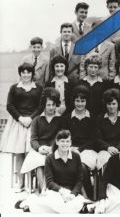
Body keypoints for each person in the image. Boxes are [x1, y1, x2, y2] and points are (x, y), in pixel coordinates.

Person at [18, 130, 87, 213]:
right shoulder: (50, 158)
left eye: (67, 141)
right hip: (55, 191)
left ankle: (34, 204)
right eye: (62, 141)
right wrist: (61, 191)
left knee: (74, 205)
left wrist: (73, 194)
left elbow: (79, 180)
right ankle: (30, 203)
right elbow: (49, 182)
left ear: (71, 142)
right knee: (57, 204)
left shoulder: (76, 157)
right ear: (57, 142)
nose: (65, 144)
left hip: (71, 193)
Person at [0, 63, 43, 192]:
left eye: (28, 72)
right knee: (19, 154)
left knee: (30, 153)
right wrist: (20, 118)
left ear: (32, 74)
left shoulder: (38, 88)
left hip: (33, 122)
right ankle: (21, 183)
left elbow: (41, 107)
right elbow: (10, 106)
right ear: (20, 74)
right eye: (23, 72)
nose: (26, 75)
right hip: (18, 123)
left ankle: (30, 184)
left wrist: (31, 118)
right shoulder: (14, 88)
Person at [20, 88, 63, 192]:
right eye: (48, 105)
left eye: (53, 105)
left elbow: (62, 137)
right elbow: (33, 139)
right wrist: (39, 148)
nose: (51, 107)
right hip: (39, 149)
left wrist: (52, 148)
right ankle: (43, 190)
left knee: (54, 159)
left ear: (56, 104)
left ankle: (53, 189)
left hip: (55, 148)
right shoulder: (36, 120)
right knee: (39, 162)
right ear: (44, 104)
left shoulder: (61, 120)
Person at [61, 85, 96, 199]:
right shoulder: (67, 118)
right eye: (77, 101)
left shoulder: (93, 118)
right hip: (70, 149)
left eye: (82, 101)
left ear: (87, 101)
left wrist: (79, 149)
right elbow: (64, 136)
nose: (80, 104)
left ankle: (87, 194)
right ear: (73, 101)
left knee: (81, 165)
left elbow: (93, 140)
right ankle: (72, 191)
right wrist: (70, 148)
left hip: (88, 150)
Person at [95, 88, 120, 170]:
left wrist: (118, 148)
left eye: (114, 103)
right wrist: (108, 147)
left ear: (118, 103)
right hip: (106, 150)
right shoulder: (100, 118)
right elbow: (97, 138)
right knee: (104, 160)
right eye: (109, 104)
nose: (111, 107)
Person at [76, 53, 109, 118]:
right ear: (86, 67)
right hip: (84, 116)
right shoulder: (80, 83)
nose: (93, 70)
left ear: (99, 68)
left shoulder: (105, 84)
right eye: (91, 67)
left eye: (95, 67)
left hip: (100, 116)